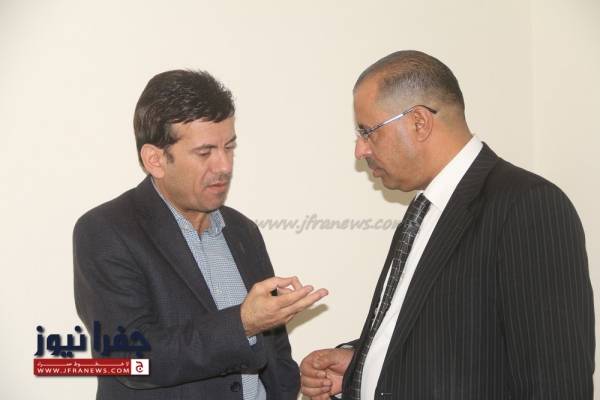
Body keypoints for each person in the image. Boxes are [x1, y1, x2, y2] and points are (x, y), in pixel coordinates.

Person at [300, 50, 594, 399]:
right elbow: (448, 335)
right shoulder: (425, 209)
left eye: (368, 131)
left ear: (419, 122)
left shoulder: (527, 206)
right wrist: (360, 364)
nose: (360, 150)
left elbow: (556, 379)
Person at [74, 69, 328, 400]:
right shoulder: (106, 231)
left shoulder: (243, 231)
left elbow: (274, 350)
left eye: (229, 147)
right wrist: (242, 324)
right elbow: (129, 360)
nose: (224, 166)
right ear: (155, 160)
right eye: (205, 152)